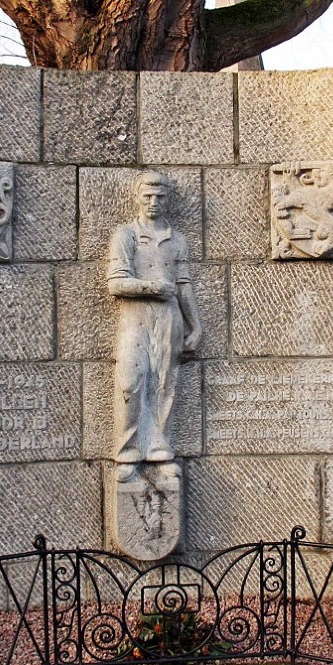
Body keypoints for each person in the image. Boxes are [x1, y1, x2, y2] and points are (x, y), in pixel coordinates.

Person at [107, 171, 202, 481]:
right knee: (130, 382)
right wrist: (151, 287)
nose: (153, 202)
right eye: (147, 196)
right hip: (136, 318)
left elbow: (184, 285)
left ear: (167, 200)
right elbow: (116, 283)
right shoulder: (126, 236)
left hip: (169, 319)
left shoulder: (177, 241)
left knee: (164, 384)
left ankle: (159, 449)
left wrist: (195, 325)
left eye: (160, 197)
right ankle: (128, 452)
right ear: (138, 197)